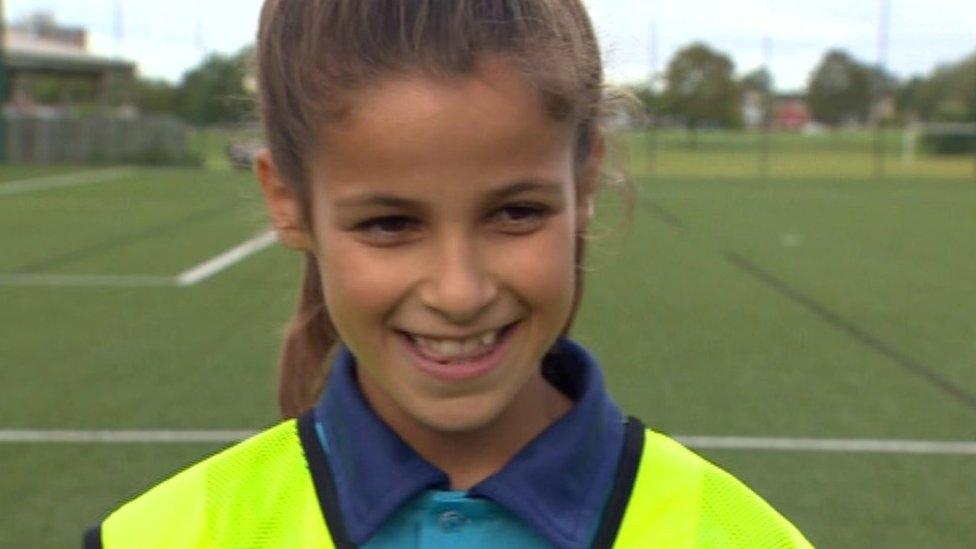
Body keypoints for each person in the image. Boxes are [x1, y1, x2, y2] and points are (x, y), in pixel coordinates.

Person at [85, 1, 812, 547]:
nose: (459, 292)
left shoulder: (740, 534)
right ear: (288, 200)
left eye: (517, 212)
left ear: (585, 177)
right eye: (389, 224)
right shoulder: (162, 534)